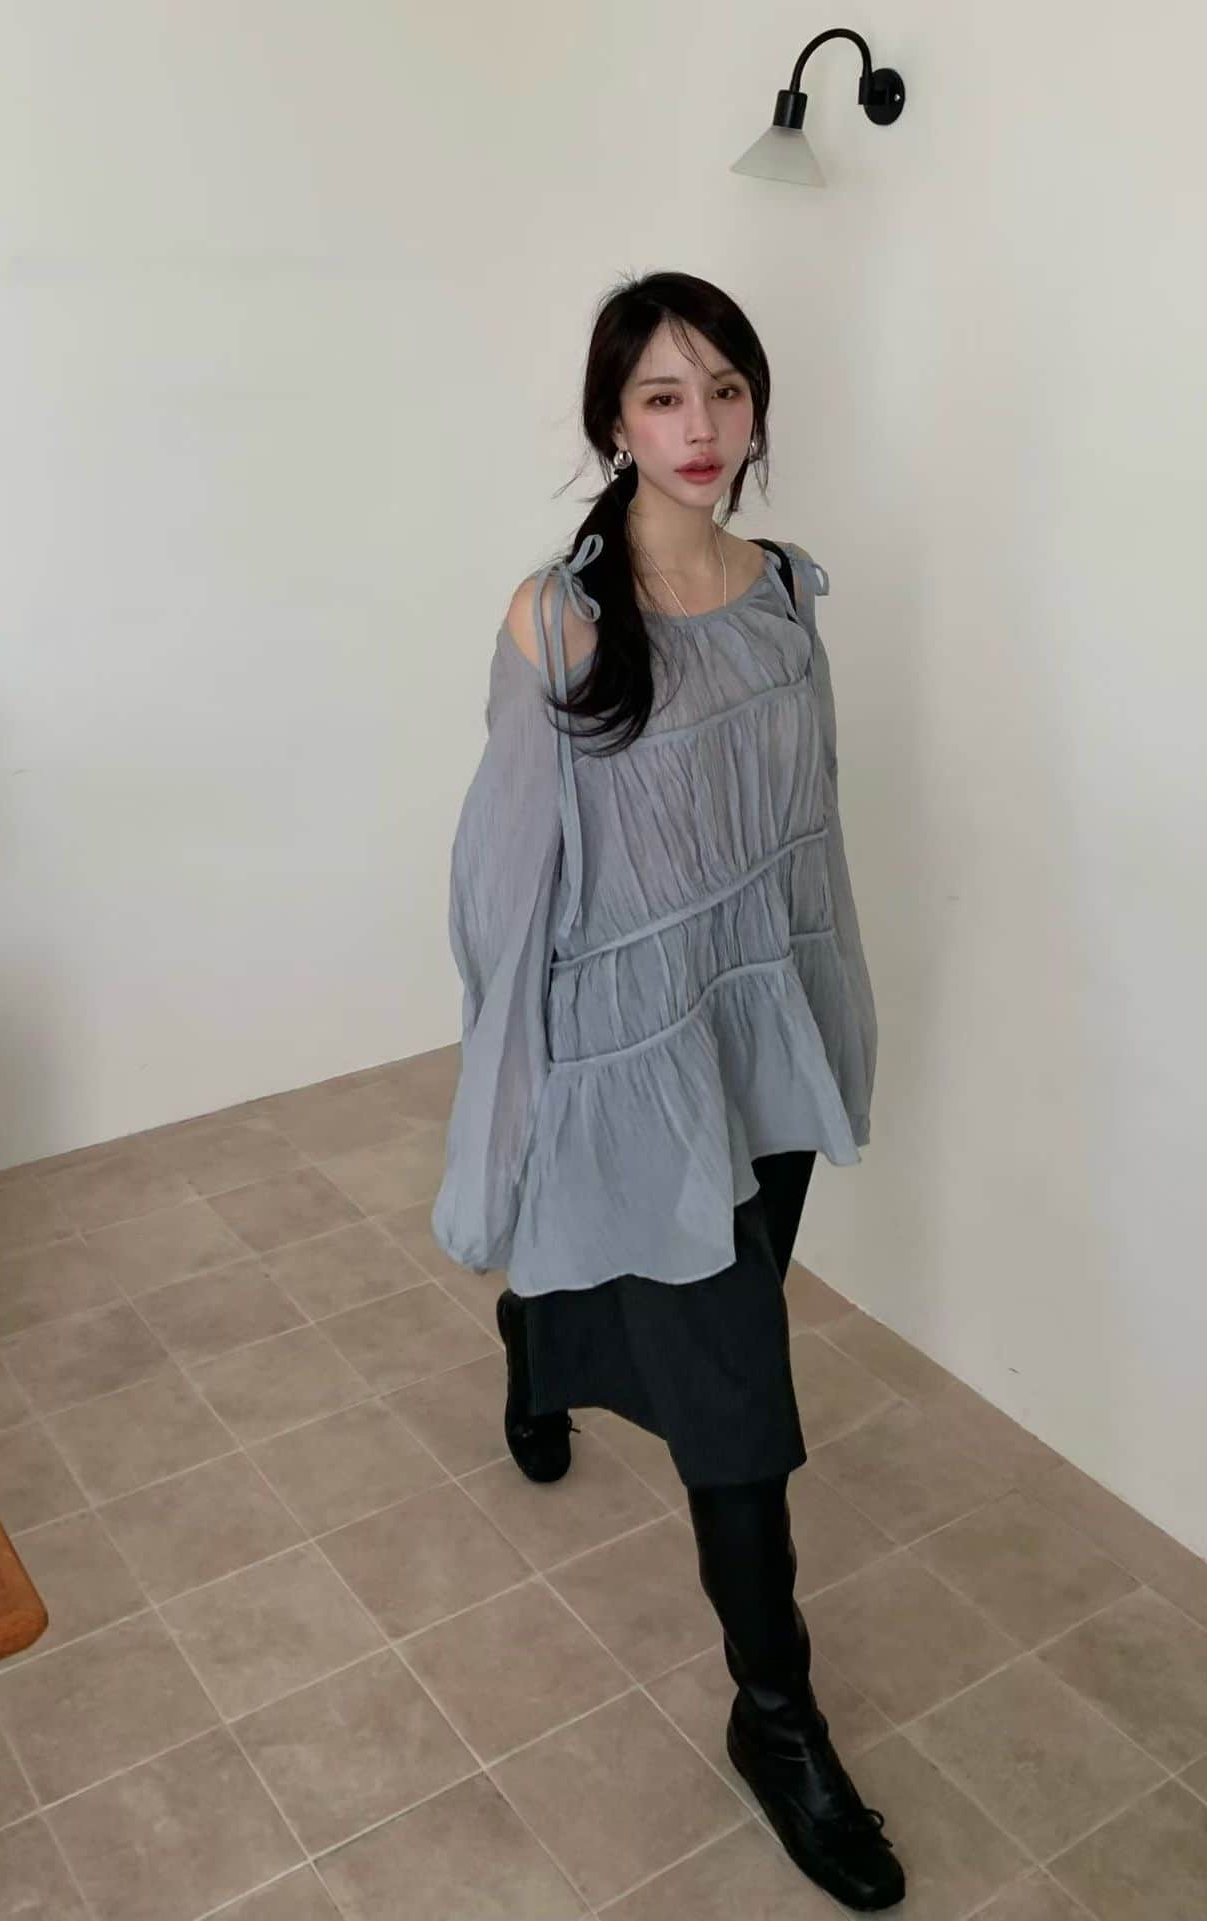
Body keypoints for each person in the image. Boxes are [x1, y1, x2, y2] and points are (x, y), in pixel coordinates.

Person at [431, 270, 902, 1912]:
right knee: (740, 1407)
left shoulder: (785, 596)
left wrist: (832, 1019)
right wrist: (518, 1089)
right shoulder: (555, 621)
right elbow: (505, 883)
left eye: (725, 390)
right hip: (636, 1059)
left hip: (762, 1043)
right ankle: (778, 1720)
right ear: (613, 423)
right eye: (661, 396)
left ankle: (534, 1337)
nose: (700, 427)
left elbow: (810, 833)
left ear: (757, 406)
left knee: (727, 1320)